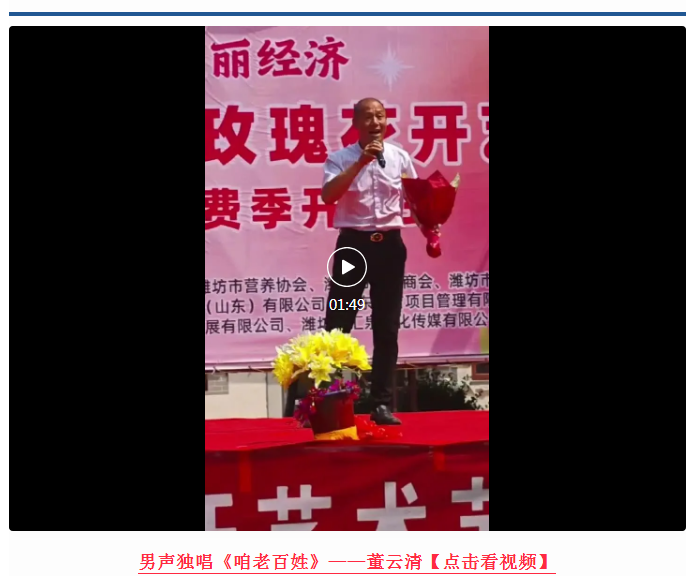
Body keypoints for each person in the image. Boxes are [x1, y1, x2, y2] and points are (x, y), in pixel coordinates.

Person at [318, 97, 419, 425]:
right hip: (353, 248)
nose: (375, 122)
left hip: (389, 248)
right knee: (340, 319)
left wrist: (432, 227)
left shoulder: (400, 157)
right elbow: (329, 195)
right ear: (356, 124)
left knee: (386, 326)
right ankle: (329, 400)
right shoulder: (340, 159)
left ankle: (381, 404)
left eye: (380, 116)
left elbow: (417, 198)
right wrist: (361, 163)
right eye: (368, 117)